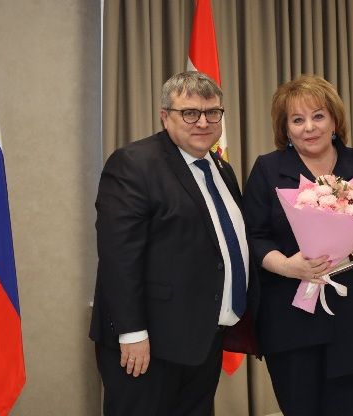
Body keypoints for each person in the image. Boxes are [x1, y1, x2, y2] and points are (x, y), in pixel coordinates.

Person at [90, 71, 258, 416]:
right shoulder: (134, 164)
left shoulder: (220, 168)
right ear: (165, 116)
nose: (203, 122)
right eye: (190, 113)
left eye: (212, 112)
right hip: (149, 342)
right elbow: (118, 257)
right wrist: (132, 333)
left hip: (202, 337)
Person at [243, 75, 353, 415]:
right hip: (291, 319)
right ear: (285, 128)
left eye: (318, 116)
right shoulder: (268, 169)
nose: (309, 127)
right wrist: (288, 266)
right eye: (297, 119)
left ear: (334, 120)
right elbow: (253, 237)